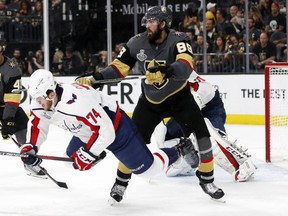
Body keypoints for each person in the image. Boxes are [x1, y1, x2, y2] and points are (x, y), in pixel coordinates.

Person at [77, 6, 225, 203]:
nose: (147, 25)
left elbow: (186, 64)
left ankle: (207, 180)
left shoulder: (179, 39)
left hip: (180, 98)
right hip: (149, 102)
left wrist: (166, 71)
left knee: (203, 138)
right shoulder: (136, 42)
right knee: (130, 142)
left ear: (163, 23)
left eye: (151, 21)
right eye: (146, 21)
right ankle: (121, 183)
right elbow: (119, 68)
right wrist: (96, 77)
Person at [21, 69, 200, 204]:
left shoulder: (76, 101)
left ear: (51, 93)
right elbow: (38, 123)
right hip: (88, 131)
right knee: (70, 159)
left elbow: (105, 131)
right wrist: (31, 146)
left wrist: (88, 154)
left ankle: (180, 148)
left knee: (148, 171)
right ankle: (97, 152)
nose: (37, 103)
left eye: (39, 99)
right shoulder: (44, 101)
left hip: (117, 129)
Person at [151, 71, 257, 181]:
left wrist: (193, 138)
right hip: (190, 108)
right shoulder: (161, 88)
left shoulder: (192, 86)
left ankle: (241, 165)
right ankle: (185, 165)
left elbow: (191, 117)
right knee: (166, 138)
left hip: (211, 109)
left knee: (211, 141)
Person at [0, 40, 45, 177]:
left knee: (25, 129)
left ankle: (29, 161)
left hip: (4, 105)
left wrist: (7, 121)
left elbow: (12, 100)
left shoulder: (12, 69)